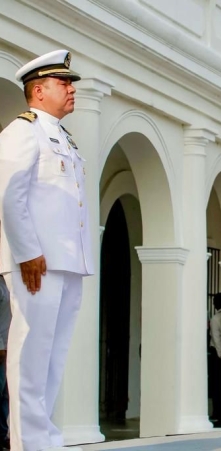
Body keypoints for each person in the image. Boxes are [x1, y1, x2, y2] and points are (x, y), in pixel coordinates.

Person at [0, 49, 92, 451]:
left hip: (66, 263)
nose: (71, 89)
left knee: (53, 357)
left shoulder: (63, 138)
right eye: (63, 83)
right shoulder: (23, 131)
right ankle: (28, 443)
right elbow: (9, 194)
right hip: (37, 262)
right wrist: (26, 252)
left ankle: (44, 440)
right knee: (31, 354)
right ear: (38, 90)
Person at [208, 293, 221, 427]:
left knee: (218, 386)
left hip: (219, 357)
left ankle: (218, 414)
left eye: (214, 302)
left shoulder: (216, 318)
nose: (213, 304)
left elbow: (216, 338)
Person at [0, 270, 10, 450]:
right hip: (1, 347)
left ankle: (2, 434)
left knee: (6, 395)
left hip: (11, 347)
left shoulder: (8, 282)